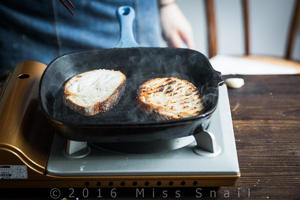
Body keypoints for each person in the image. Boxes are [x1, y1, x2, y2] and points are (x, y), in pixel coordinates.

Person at [0, 0, 194, 75]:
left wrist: (167, 4)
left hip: (120, 4)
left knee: (142, 80)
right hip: (23, 18)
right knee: (25, 111)